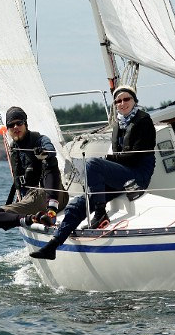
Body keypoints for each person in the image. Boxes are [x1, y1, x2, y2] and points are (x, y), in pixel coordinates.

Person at [29, 85, 156, 260]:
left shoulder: (144, 121)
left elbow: (136, 157)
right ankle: (53, 246)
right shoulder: (119, 123)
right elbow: (120, 157)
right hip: (122, 175)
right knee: (77, 205)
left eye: (127, 99)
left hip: (137, 176)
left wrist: (108, 161)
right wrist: (110, 161)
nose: (122, 103)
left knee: (94, 164)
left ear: (134, 101)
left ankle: (100, 212)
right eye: (118, 101)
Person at [0, 106, 68, 231]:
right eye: (11, 125)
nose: (15, 127)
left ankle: (51, 213)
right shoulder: (14, 149)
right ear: (7, 129)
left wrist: (44, 152)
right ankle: (32, 219)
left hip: (54, 195)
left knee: (49, 160)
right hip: (31, 200)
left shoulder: (40, 140)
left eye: (19, 123)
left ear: (25, 124)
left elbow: (50, 150)